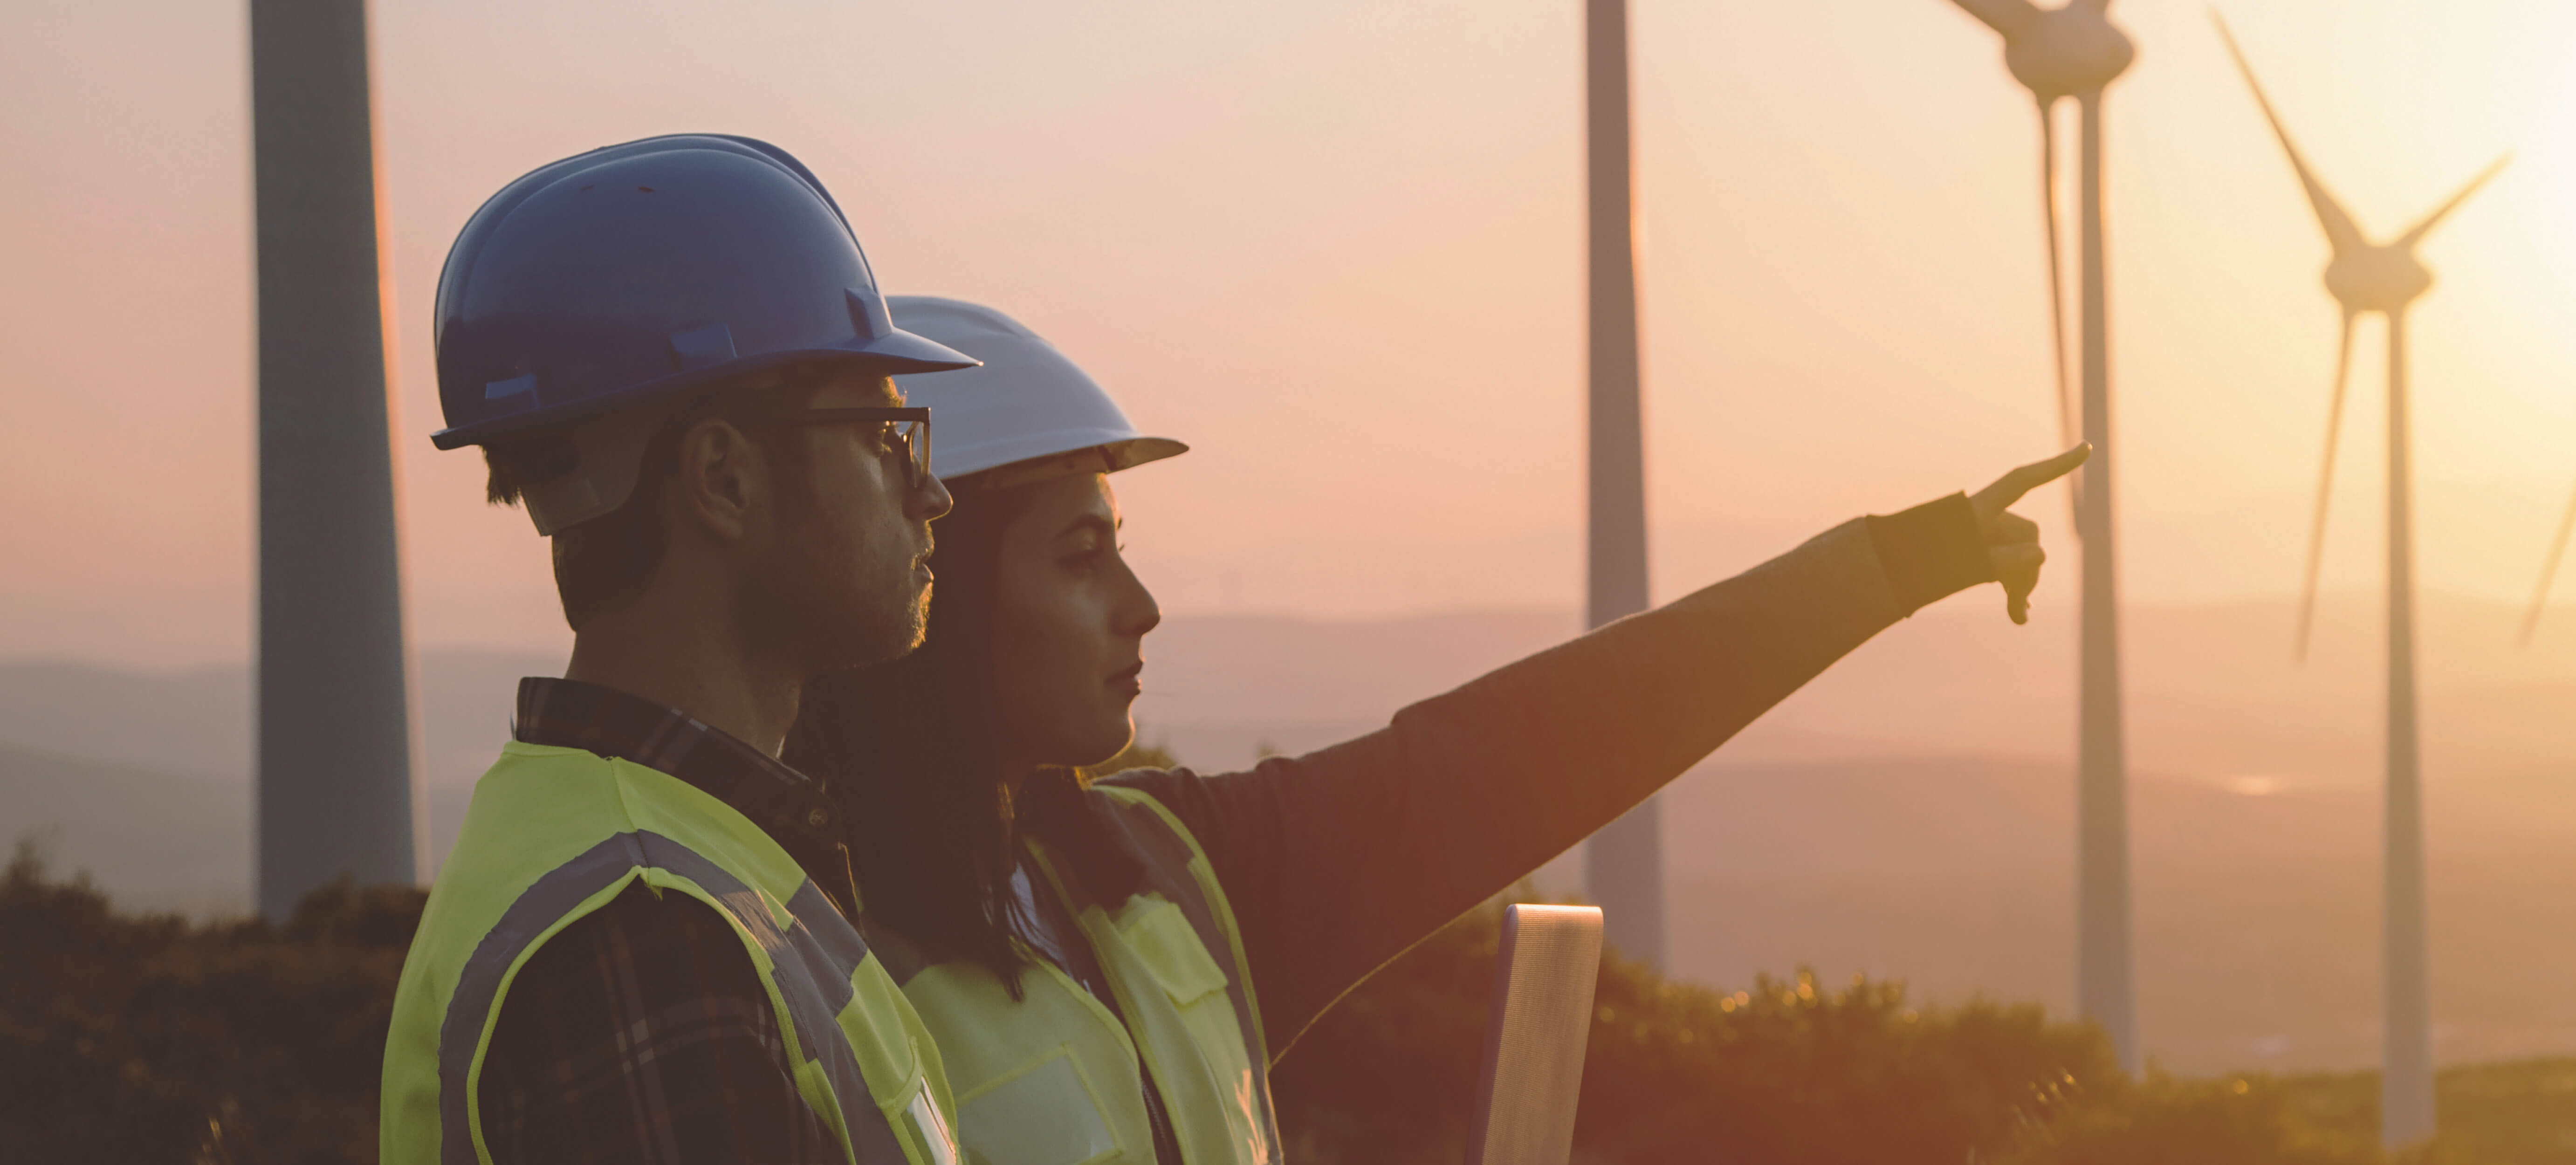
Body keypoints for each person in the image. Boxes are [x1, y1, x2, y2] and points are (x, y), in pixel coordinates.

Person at [782, 295, 2084, 1164]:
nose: (1140, 606)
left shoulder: (1169, 875)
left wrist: (1898, 564)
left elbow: (1529, 747)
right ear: (933, 593)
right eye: (1079, 559)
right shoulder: (788, 952)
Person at [378, 136, 979, 1165]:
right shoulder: (644, 933)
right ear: (724, 480)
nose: (934, 494)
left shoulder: (671, 857)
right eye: (888, 439)